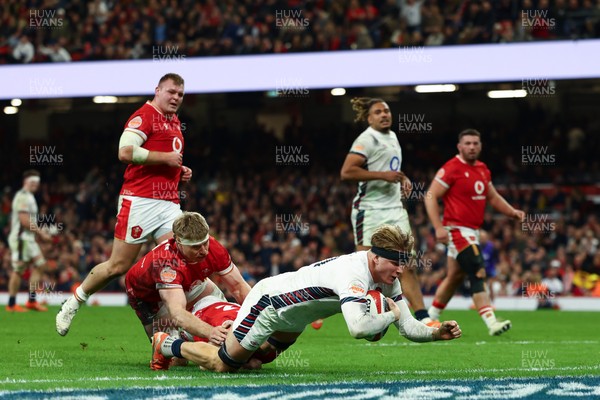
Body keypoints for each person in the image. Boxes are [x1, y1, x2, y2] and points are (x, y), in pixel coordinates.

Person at [151, 225, 462, 373]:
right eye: (396, 262)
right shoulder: (354, 274)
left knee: (259, 362)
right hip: (269, 306)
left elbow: (408, 326)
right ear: (376, 257)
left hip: (293, 320)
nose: (401, 269)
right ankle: (167, 343)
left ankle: (194, 350)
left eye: (403, 262)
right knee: (224, 365)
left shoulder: (384, 276)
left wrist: (436, 333)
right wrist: (390, 315)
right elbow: (358, 328)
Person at [56, 73, 192, 335]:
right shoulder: (145, 115)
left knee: (174, 263)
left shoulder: (174, 121)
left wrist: (179, 171)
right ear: (158, 90)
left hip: (168, 203)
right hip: (139, 201)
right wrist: (166, 158)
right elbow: (125, 151)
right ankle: (74, 302)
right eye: (171, 92)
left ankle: (172, 330)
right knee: (118, 266)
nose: (176, 98)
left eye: (180, 94)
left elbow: (162, 162)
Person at [340, 97, 439, 327]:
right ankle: (340, 310)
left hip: (395, 209)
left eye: (386, 111)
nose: (384, 114)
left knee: (406, 263)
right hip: (370, 210)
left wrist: (402, 177)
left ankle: (424, 317)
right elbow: (347, 172)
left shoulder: (392, 136)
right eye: (378, 112)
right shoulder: (366, 139)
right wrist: (383, 176)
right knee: (363, 267)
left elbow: (390, 167)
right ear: (369, 118)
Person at [424, 129, 525, 336]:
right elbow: (431, 195)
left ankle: (429, 318)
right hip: (457, 230)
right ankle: (491, 322)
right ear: (459, 147)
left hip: (472, 230)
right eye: (467, 143)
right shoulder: (451, 168)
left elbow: (493, 197)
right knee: (477, 270)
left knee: (454, 277)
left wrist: (512, 212)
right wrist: (438, 227)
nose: (472, 147)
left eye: (475, 143)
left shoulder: (482, 169)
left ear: (480, 146)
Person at [124, 211, 251, 370]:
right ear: (178, 242)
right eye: (196, 247)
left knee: (220, 320)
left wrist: (256, 317)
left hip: (193, 283)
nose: (204, 250)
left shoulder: (213, 247)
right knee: (176, 358)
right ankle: (188, 339)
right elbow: (177, 313)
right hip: (151, 299)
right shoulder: (166, 264)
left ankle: (214, 348)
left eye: (205, 243)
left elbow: (239, 287)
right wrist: (211, 332)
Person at [6, 170, 51, 312]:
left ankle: (31, 301)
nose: (35, 185)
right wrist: (41, 233)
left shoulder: (29, 196)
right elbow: (24, 221)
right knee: (18, 270)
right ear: (25, 182)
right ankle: (12, 304)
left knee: (41, 266)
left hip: (28, 239)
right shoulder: (23, 197)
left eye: (37, 183)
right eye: (32, 182)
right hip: (21, 239)